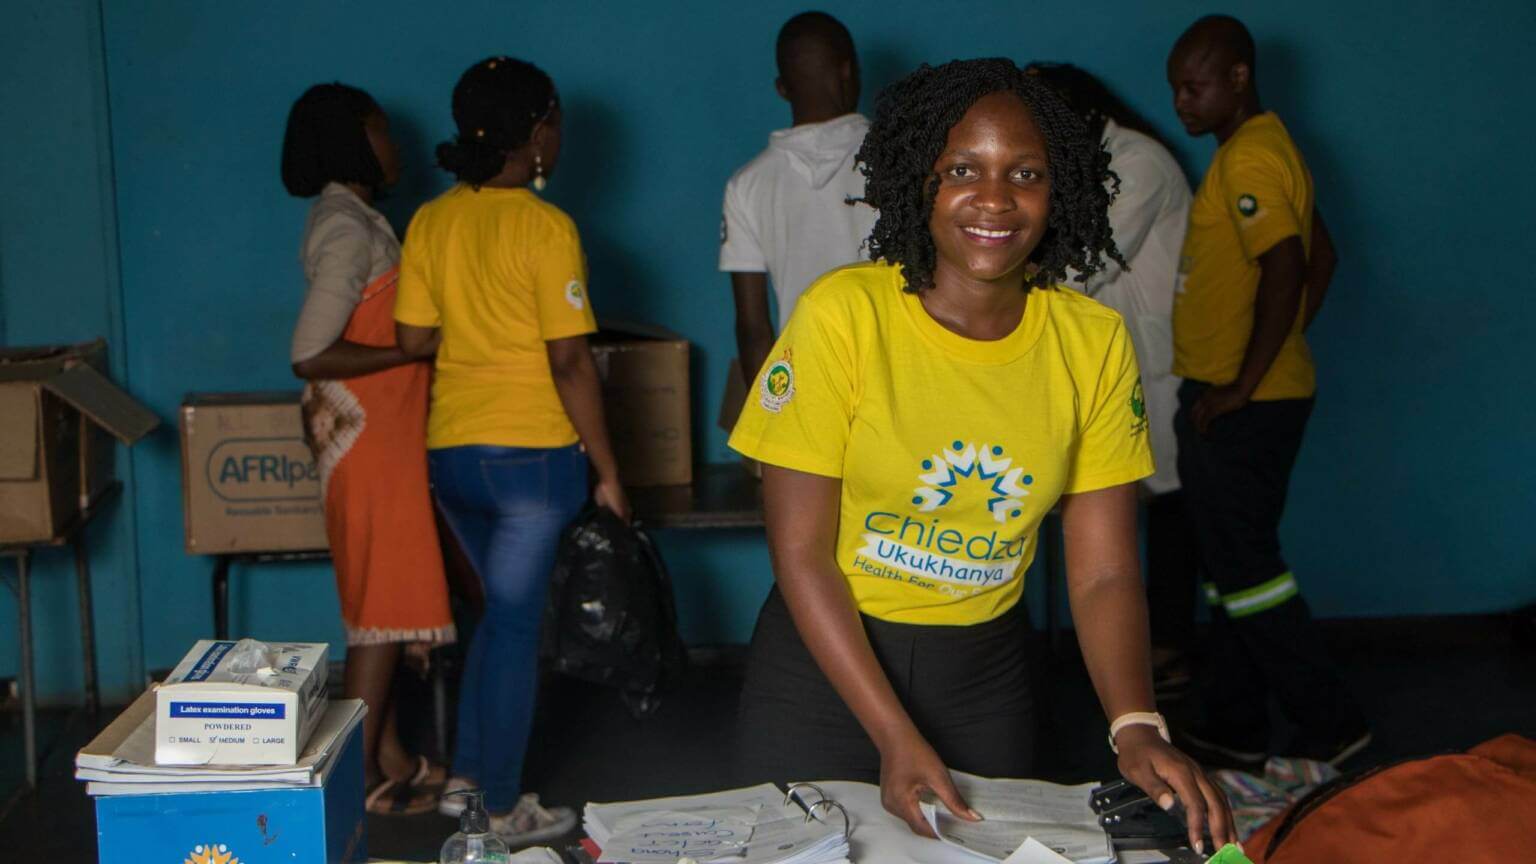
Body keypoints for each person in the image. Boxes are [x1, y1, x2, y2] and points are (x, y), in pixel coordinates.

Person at [729, 58, 1235, 853]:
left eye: (1024, 173)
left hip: (985, 681)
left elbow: (1102, 571)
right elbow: (802, 554)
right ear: (918, 181)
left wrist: (1137, 726)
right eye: (962, 169)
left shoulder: (1092, 342)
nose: (994, 199)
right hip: (823, 673)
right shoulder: (842, 317)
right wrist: (893, 734)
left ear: (1059, 189)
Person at [393, 56, 631, 844]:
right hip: (532, 459)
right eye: (555, 126)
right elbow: (570, 361)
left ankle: (464, 779)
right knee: (517, 634)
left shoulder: (431, 220)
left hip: (453, 457)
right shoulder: (546, 227)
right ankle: (500, 809)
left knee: (496, 622)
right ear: (537, 135)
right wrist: (607, 468)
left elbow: (412, 337)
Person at [1165, 15, 1368, 770]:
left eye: (1195, 86)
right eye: (1176, 89)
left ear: (1239, 77)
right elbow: (1327, 256)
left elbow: (1289, 265)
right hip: (1249, 393)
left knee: (1247, 571)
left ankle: (1334, 726)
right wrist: (1278, 353)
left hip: (1240, 403)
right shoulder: (1265, 148)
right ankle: (1230, 724)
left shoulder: (1250, 159)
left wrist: (1245, 383)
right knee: (1229, 572)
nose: (1182, 103)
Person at [281, 82, 455, 816]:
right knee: (379, 610)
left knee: (382, 604)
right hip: (366, 434)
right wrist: (416, 350)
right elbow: (310, 351)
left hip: (372, 432)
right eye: (383, 132)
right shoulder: (349, 229)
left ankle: (384, 755)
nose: (396, 146)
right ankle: (359, 777)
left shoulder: (349, 217)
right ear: (353, 139)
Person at [1026, 62, 1201, 698]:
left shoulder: (1141, 162)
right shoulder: (1089, 162)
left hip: (1155, 363)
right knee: (1124, 507)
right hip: (1108, 361)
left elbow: (1080, 259)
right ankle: (1138, 654)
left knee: (1169, 506)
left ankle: (1168, 651)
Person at [720, 11, 878, 393]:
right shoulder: (902, 160)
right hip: (893, 375)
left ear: (781, 88)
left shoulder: (747, 184)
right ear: (847, 70)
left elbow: (753, 327)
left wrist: (767, 428)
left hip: (809, 385)